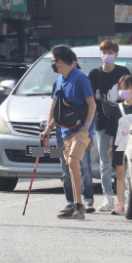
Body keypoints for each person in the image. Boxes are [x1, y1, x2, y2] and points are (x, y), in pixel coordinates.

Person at [40, 45, 96, 220]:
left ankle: (81, 204)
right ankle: (75, 205)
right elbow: (58, 113)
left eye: (53, 61)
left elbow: (92, 105)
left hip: (80, 130)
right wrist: (47, 130)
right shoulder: (59, 82)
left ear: (60, 61)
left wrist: (87, 129)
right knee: (70, 168)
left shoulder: (80, 79)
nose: (52, 64)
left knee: (73, 163)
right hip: (65, 131)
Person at [87, 39, 131, 212]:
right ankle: (108, 198)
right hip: (102, 124)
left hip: (122, 124)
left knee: (122, 162)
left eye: (110, 53)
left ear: (116, 55)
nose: (107, 56)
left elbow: (131, 94)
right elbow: (89, 100)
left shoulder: (123, 72)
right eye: (104, 53)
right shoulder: (94, 75)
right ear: (100, 54)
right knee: (105, 162)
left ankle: (126, 197)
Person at [110, 75, 132, 215]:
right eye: (120, 89)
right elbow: (112, 130)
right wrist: (111, 146)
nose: (122, 91)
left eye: (126, 88)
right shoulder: (117, 108)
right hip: (120, 146)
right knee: (120, 174)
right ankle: (120, 203)